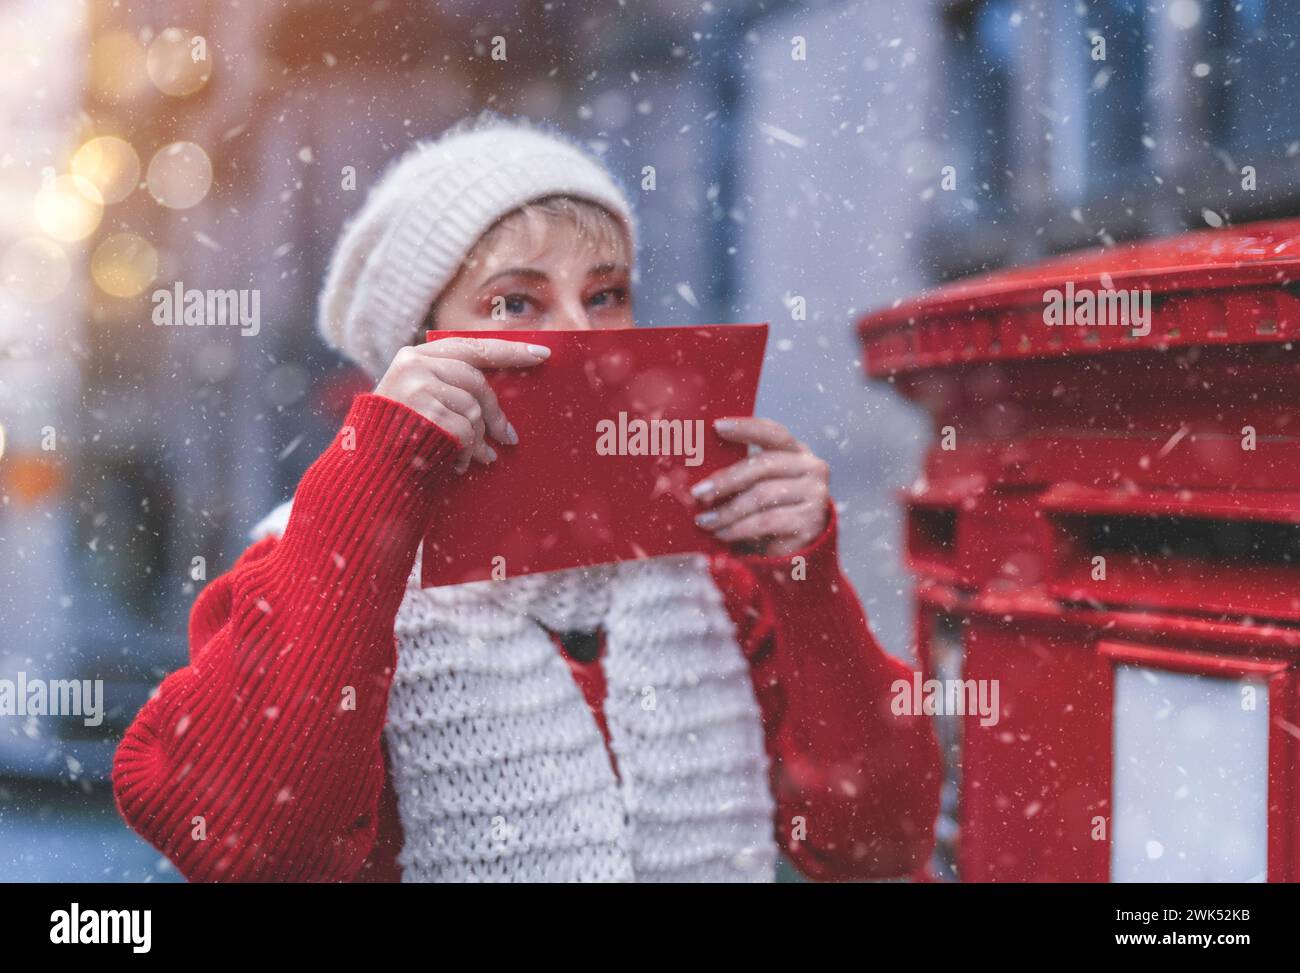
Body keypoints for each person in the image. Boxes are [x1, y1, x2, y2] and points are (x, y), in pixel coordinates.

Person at [112, 111, 941, 882]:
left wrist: (808, 579)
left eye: (606, 294)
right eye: (517, 301)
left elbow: (877, 842)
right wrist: (374, 479)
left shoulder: (708, 568)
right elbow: (258, 847)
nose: (581, 331)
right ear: (422, 349)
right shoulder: (307, 558)